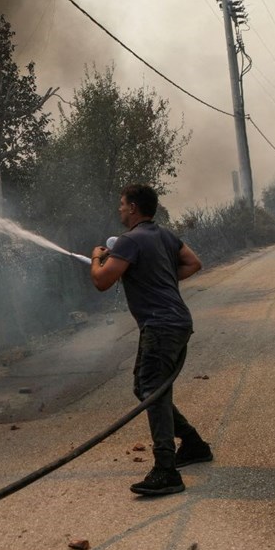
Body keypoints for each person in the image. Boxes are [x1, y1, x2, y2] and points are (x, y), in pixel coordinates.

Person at [86, 184, 213, 496]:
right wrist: (162, 279)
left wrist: (96, 258)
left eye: (122, 204)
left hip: (160, 325)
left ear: (133, 207)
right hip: (177, 321)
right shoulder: (165, 236)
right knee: (145, 388)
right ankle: (194, 444)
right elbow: (193, 263)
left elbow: (102, 281)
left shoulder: (129, 241)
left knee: (152, 391)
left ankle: (166, 470)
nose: (119, 209)